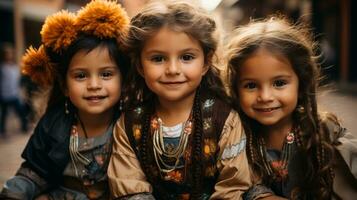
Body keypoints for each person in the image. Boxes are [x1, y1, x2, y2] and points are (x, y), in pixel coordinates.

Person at [108, 0, 251, 199]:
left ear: (206, 63)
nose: (173, 70)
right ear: (140, 66)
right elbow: (130, 189)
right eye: (158, 58)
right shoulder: (129, 125)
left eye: (186, 57)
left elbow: (232, 187)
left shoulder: (225, 121)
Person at [0, 0, 130, 199]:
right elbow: (33, 173)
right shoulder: (54, 123)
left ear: (123, 81)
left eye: (106, 74)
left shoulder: (132, 124)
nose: (94, 84)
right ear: (64, 86)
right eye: (80, 76)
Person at [225, 16, 357, 199]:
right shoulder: (235, 137)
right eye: (251, 85)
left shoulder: (325, 133)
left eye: (279, 83)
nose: (265, 97)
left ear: (301, 83)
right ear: (236, 89)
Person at [0, 43, 28, 136]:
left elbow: (19, 80)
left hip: (15, 93)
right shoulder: (2, 68)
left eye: (11, 53)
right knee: (4, 114)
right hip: (4, 94)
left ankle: (24, 127)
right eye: (7, 53)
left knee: (21, 111)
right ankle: (2, 130)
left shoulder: (15, 67)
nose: (9, 55)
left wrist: (21, 91)